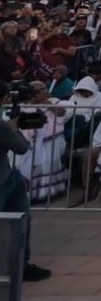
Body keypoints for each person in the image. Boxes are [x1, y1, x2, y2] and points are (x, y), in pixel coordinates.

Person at [0, 81, 52, 281]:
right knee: (19, 221)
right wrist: (13, 127)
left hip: (9, 178)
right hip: (4, 179)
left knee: (18, 218)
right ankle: (20, 265)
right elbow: (21, 147)